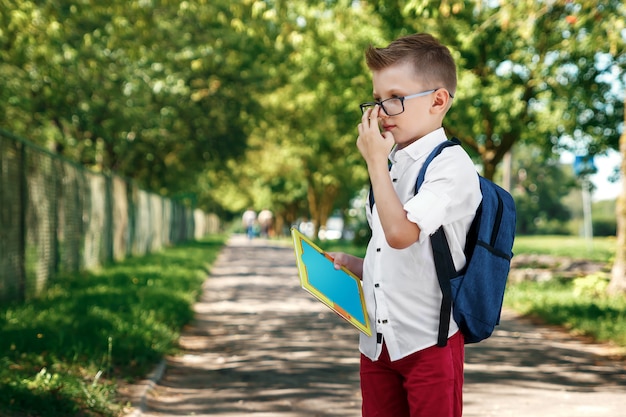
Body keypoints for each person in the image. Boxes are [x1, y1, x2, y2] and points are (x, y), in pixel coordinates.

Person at [329, 33, 482, 417]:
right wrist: (358, 267)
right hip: (378, 345)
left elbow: (400, 234)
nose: (381, 112)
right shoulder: (393, 163)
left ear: (438, 100)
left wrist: (375, 163)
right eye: (377, 100)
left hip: (428, 345)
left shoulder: (451, 165)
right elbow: (404, 258)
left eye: (394, 99)